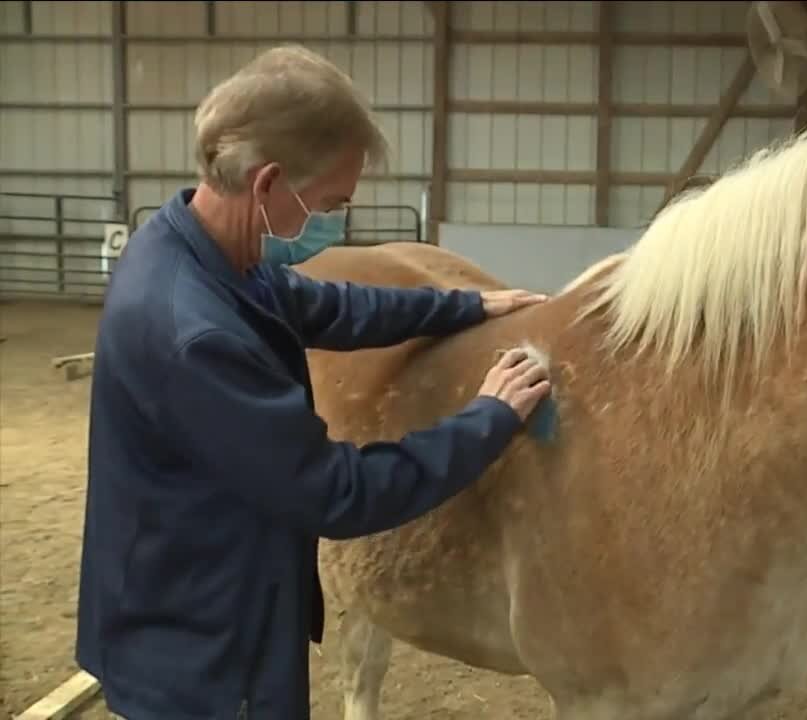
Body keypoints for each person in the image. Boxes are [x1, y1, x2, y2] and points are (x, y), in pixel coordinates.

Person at [74, 45, 553, 720]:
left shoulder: (201, 248)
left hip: (202, 594)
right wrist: (489, 418)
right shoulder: (195, 334)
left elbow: (329, 305)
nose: (336, 222)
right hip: (202, 652)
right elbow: (336, 491)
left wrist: (464, 306)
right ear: (268, 183)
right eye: (332, 202)